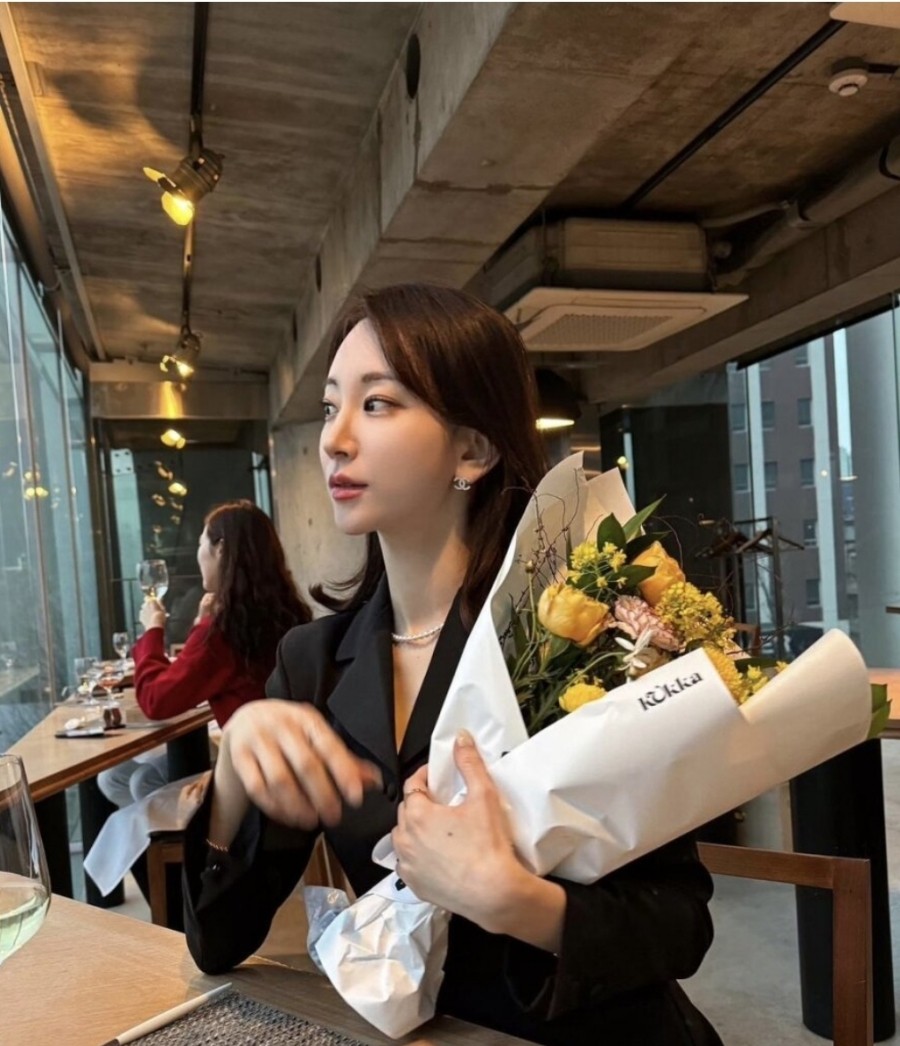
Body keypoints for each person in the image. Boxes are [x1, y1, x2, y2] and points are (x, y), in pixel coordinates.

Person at [182, 284, 723, 1046]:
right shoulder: (313, 665)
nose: (335, 439)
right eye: (331, 406)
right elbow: (217, 943)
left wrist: (516, 902)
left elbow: (680, 924)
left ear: (472, 449)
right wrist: (234, 774)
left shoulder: (575, 631)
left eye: (376, 404)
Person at [98, 500, 311, 807]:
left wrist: (153, 629)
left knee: (139, 779)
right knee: (119, 776)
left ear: (220, 549)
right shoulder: (289, 613)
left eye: (201, 543)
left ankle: (187, 836)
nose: (198, 554)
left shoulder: (225, 630)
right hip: (293, 761)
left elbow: (156, 700)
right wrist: (201, 624)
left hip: (255, 774)